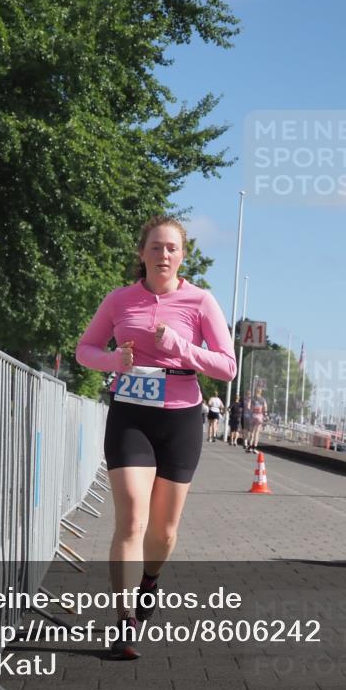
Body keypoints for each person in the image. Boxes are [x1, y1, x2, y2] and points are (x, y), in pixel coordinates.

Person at [76, 215, 237, 659]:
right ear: (141, 253)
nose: (163, 254)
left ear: (182, 256)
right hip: (130, 415)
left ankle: (150, 582)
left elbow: (228, 366)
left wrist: (180, 349)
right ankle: (125, 622)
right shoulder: (119, 300)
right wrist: (114, 362)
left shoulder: (201, 302)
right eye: (155, 247)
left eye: (172, 248)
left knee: (163, 533)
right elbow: (84, 350)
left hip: (180, 419)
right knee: (131, 521)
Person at [246, 388, 267, 453]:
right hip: (259, 416)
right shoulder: (263, 399)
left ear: (255, 392)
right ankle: (254, 448)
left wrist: (252, 410)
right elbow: (265, 407)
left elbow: (248, 406)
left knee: (251, 432)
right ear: (260, 392)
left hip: (253, 416)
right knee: (257, 433)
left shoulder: (252, 399)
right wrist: (265, 414)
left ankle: (249, 447)